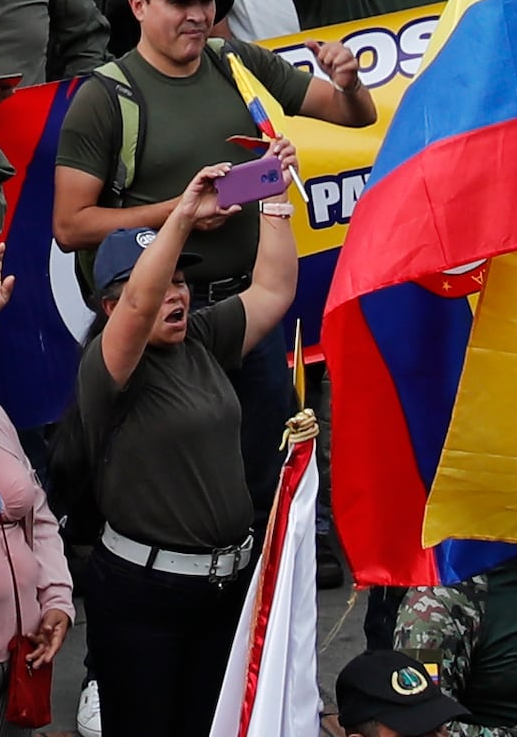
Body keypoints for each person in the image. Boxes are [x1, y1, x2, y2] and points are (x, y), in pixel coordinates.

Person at [61, 161, 300, 737]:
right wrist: (185, 212)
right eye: (160, 282)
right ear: (110, 306)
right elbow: (141, 307)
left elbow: (272, 289)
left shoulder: (200, 337)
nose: (175, 294)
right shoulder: (111, 366)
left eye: (181, 282)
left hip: (221, 588)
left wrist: (273, 194)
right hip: (147, 598)